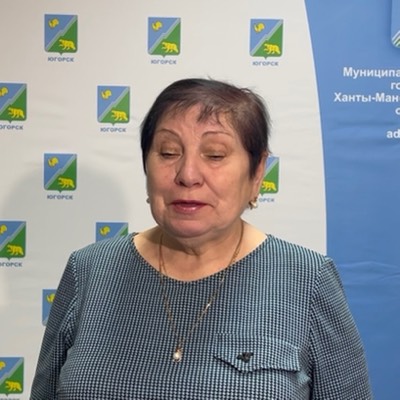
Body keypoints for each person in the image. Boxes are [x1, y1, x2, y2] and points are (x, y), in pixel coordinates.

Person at [31, 78, 372, 399]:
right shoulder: (89, 270)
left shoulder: (307, 279)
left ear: (257, 173)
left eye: (215, 155)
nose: (188, 174)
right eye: (168, 152)